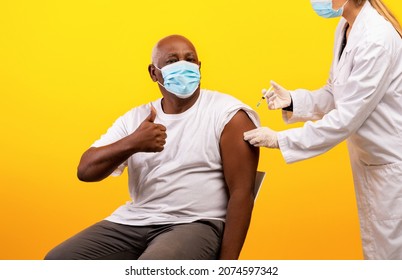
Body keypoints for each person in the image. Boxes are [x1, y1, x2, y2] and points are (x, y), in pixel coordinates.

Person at [45, 34, 260, 260]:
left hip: (195, 222)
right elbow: (85, 171)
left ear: (199, 67)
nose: (183, 66)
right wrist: (133, 143)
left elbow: (242, 193)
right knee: (58, 261)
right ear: (153, 72)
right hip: (134, 221)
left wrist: (227, 268)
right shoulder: (136, 118)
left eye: (190, 59)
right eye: (172, 61)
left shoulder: (229, 115)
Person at [244, 0, 402, 259]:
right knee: (379, 250)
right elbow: (336, 92)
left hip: (391, 165)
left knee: (390, 256)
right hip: (372, 163)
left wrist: (280, 139)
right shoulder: (345, 27)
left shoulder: (377, 39)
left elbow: (346, 118)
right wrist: (294, 100)